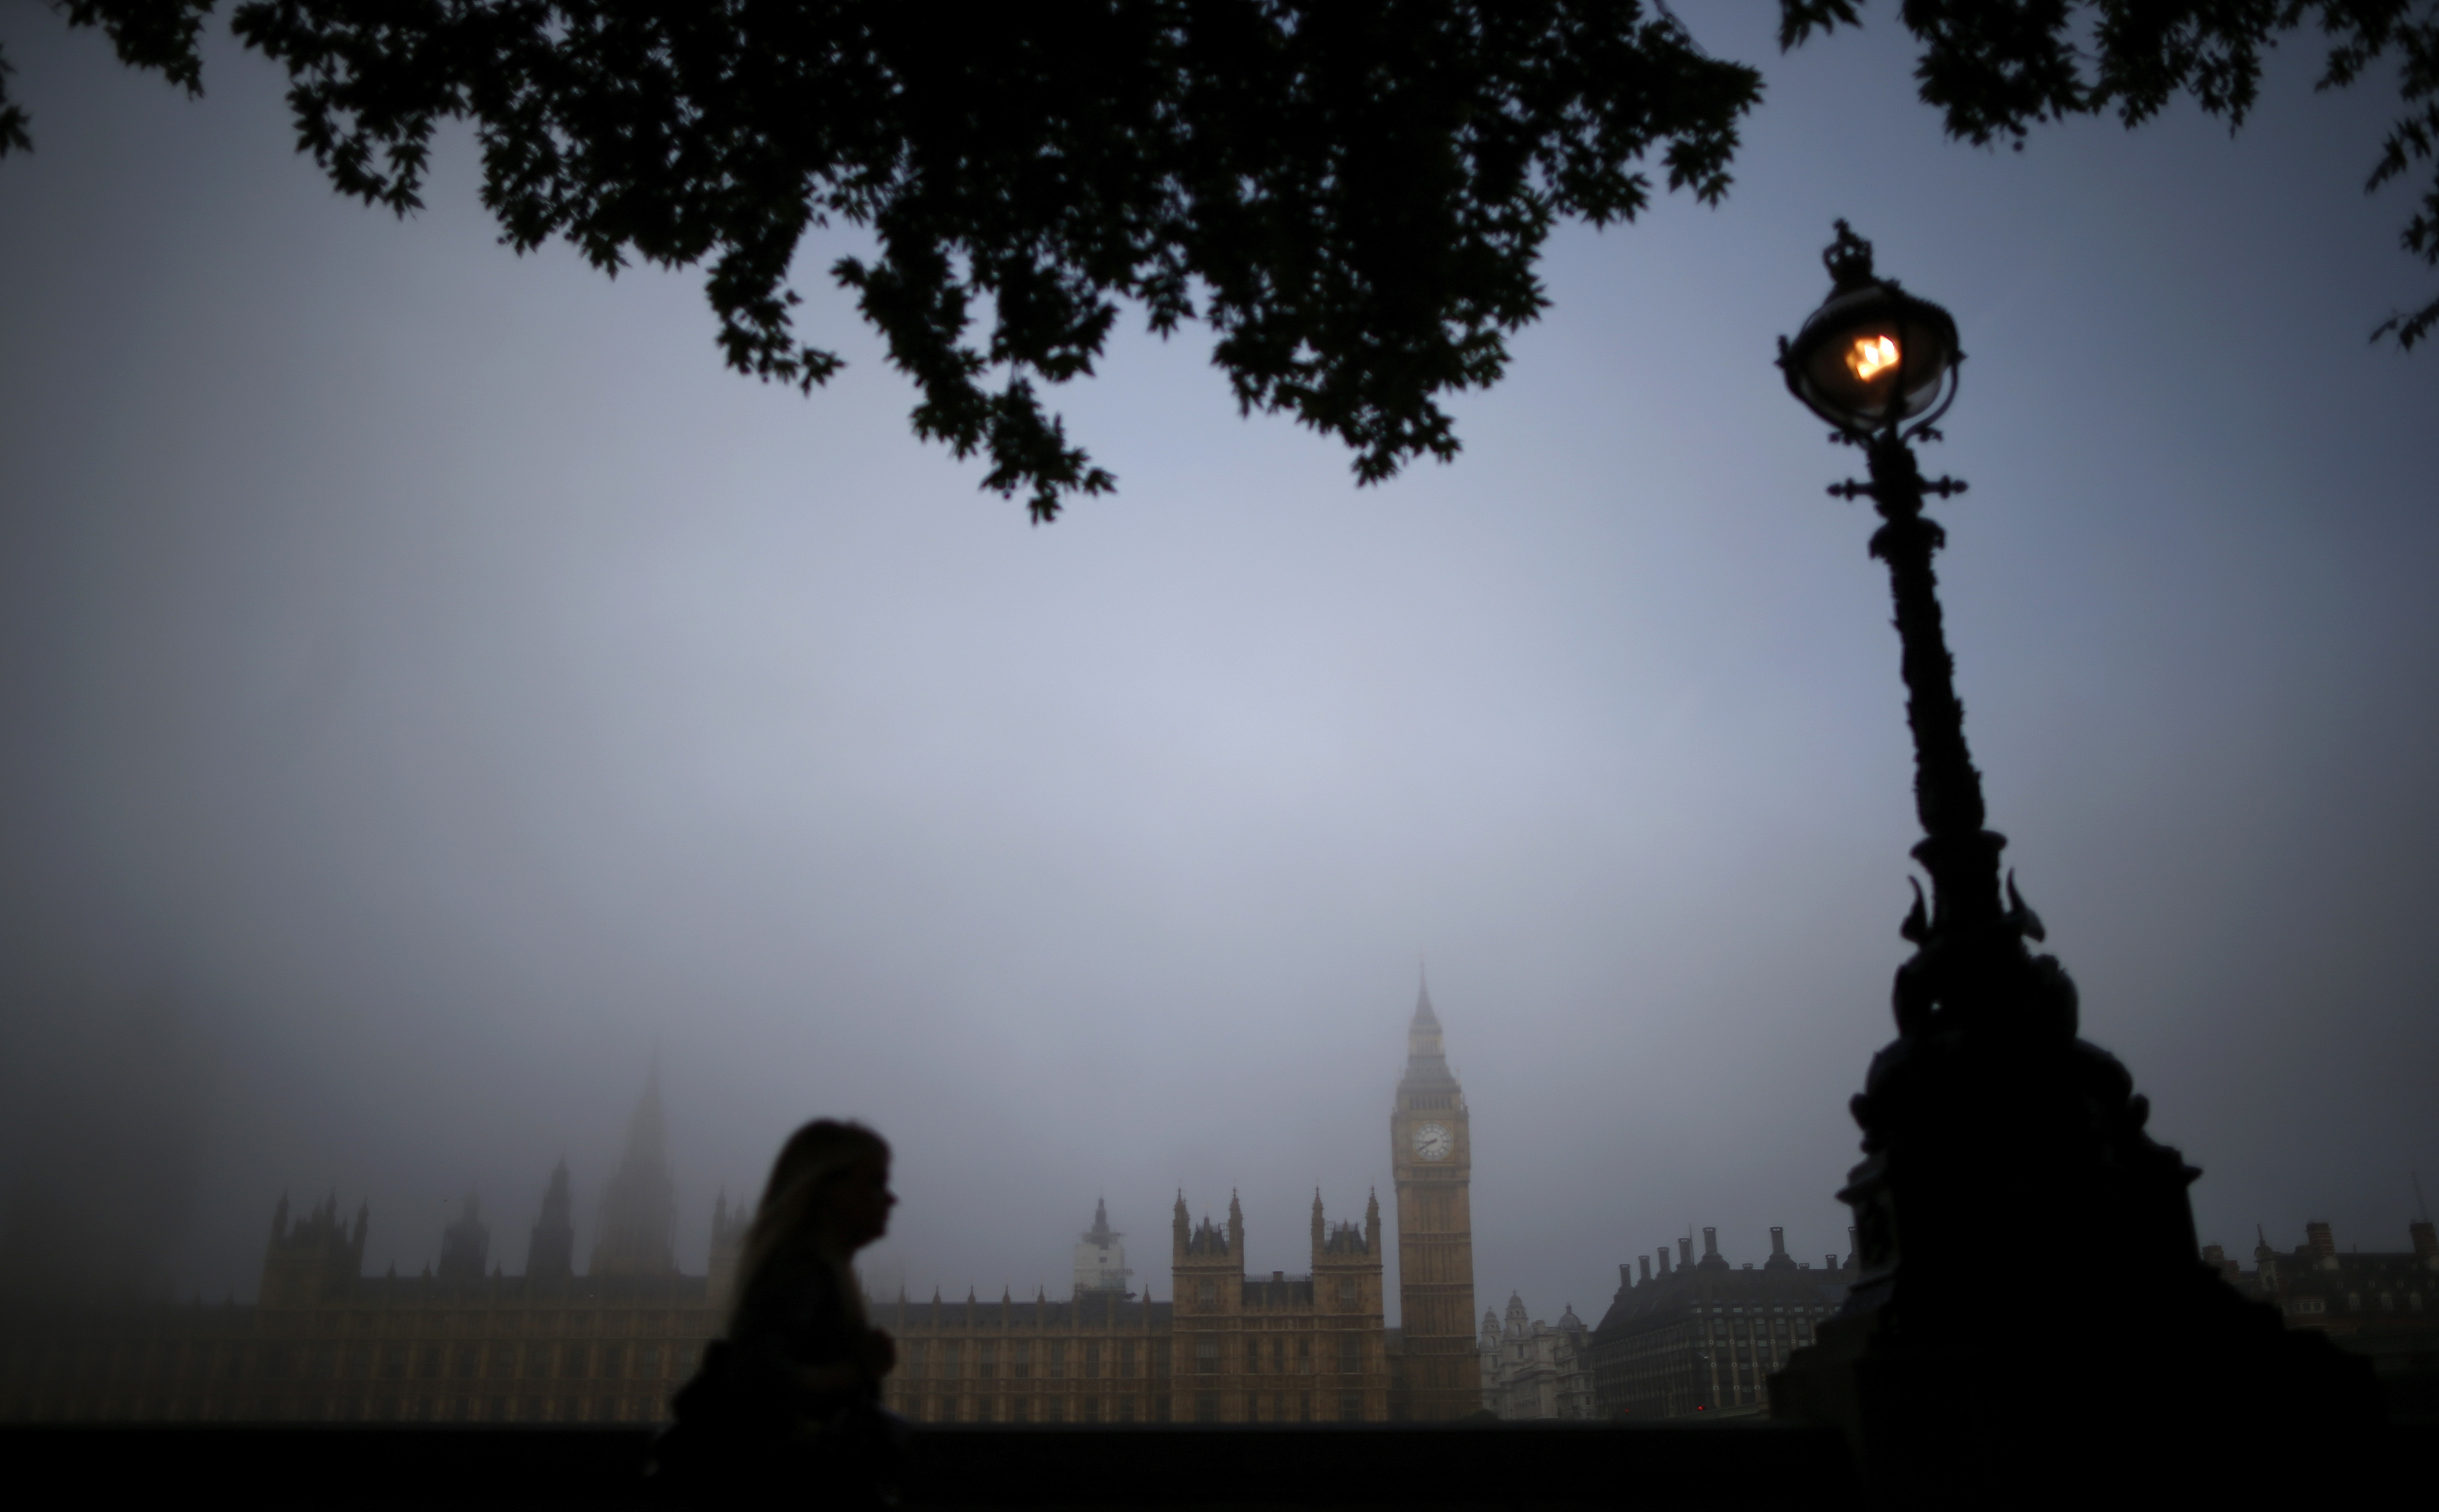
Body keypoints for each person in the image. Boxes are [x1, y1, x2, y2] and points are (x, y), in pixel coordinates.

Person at [653, 1120, 907, 1506]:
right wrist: (860, 1369)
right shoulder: (802, 1269)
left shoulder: (824, 1269)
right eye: (874, 1183)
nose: (891, 1199)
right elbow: (758, 1379)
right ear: (828, 1191)